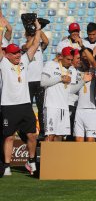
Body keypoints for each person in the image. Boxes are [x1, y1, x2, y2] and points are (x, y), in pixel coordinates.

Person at [0, 18, 41, 176]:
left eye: (18, 52)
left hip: (25, 104)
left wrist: (37, 29)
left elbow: (36, 44)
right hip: (8, 105)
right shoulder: (3, 63)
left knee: (32, 135)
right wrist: (2, 29)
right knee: (9, 137)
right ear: (7, 54)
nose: (18, 55)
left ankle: (31, 162)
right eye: (14, 53)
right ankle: (7, 165)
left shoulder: (24, 60)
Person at [41, 47, 85, 142]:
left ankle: (56, 157)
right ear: (61, 57)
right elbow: (43, 83)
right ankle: (47, 157)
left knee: (60, 136)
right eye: (68, 59)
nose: (70, 62)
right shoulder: (51, 64)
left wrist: (83, 81)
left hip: (64, 107)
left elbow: (70, 90)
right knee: (50, 135)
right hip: (51, 106)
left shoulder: (72, 70)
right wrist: (60, 78)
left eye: (71, 60)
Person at [22, 29, 49, 138]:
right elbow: (27, 47)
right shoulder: (23, 45)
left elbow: (46, 41)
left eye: (32, 35)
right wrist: (35, 36)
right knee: (26, 107)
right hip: (27, 81)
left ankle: (42, 132)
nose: (31, 36)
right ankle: (25, 130)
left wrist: (39, 29)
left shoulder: (39, 46)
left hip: (40, 82)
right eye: (29, 34)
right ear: (25, 35)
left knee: (41, 107)